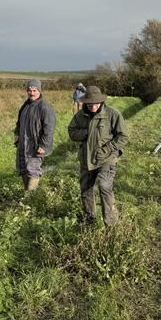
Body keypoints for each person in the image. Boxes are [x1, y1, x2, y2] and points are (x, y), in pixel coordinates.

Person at [67, 86, 128, 226]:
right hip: (86, 158)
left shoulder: (112, 114)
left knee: (104, 186)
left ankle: (111, 224)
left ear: (101, 101)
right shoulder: (80, 115)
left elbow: (123, 136)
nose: (92, 106)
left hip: (106, 159)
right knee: (86, 188)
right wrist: (87, 133)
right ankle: (89, 219)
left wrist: (107, 150)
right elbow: (71, 131)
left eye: (95, 103)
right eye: (89, 103)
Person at [14, 79, 56, 191]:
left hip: (36, 145)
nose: (31, 93)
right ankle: (26, 191)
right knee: (23, 169)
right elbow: (19, 122)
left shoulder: (44, 107)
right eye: (29, 90)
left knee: (33, 170)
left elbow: (49, 128)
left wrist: (44, 145)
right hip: (23, 144)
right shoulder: (26, 105)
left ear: (39, 91)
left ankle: (30, 196)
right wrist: (17, 133)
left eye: (34, 90)